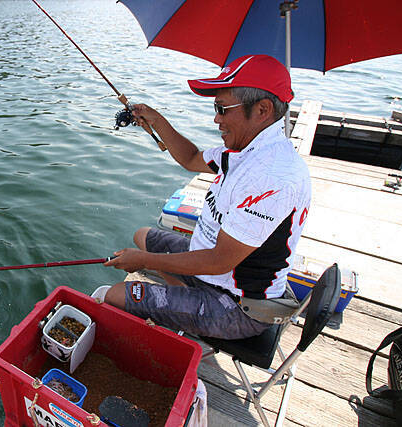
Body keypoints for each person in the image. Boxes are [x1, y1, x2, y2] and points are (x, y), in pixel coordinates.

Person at [101, 54, 312, 340]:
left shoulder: (272, 177)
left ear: (262, 110)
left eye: (222, 109)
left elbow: (218, 261)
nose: (216, 118)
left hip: (240, 305)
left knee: (114, 295)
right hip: (215, 268)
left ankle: (184, 312)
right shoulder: (242, 151)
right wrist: (156, 119)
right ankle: (184, 303)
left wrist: (145, 261)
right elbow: (190, 158)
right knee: (143, 235)